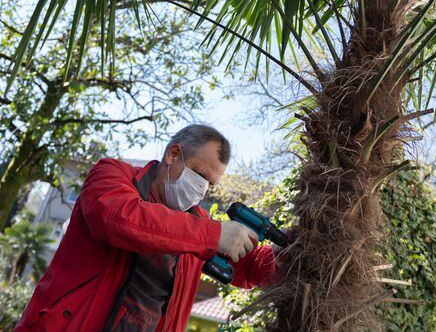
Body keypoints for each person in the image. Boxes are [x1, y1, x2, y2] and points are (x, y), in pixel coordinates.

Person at [15, 125, 276, 331]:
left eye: (210, 183)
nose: (202, 189)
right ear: (173, 155)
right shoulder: (113, 175)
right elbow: (118, 219)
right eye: (199, 174)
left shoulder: (198, 226)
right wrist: (213, 234)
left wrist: (288, 253)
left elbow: (250, 266)